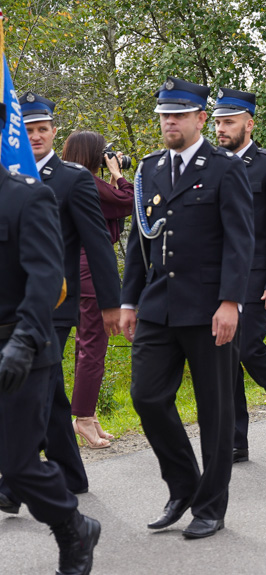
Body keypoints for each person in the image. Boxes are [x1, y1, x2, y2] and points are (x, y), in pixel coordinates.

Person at [120, 77, 254, 538]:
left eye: (178, 114)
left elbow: (241, 240)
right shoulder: (149, 169)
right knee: (146, 396)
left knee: (214, 410)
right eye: (164, 114)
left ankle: (211, 506)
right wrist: (129, 300)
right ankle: (183, 484)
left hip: (209, 308)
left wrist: (231, 301)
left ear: (201, 118)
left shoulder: (224, 168)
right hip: (158, 306)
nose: (169, 121)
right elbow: (141, 240)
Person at [0, 92, 121, 510]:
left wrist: (111, 303)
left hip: (55, 301)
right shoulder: (8, 175)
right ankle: (67, 472)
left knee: (33, 383)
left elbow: (97, 242)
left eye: (42, 129)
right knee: (46, 388)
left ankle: (14, 483)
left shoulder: (72, 178)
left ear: (54, 132)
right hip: (11, 302)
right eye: (28, 130)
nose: (35, 136)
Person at [0, 116, 101, 574]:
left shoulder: (28, 196)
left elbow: (46, 277)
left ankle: (73, 528)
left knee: (18, 465)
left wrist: (22, 340)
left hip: (22, 351)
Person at [212, 87, 266, 464]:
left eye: (228, 122)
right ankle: (237, 439)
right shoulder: (212, 163)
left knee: (247, 347)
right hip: (217, 276)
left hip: (257, 274)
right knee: (224, 354)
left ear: (249, 124)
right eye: (217, 122)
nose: (221, 129)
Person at [64, 131, 134, 449]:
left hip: (74, 268)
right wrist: (118, 174)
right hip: (90, 270)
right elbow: (130, 201)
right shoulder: (89, 182)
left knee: (85, 345)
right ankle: (82, 419)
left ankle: (87, 416)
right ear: (93, 156)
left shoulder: (71, 180)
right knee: (94, 345)